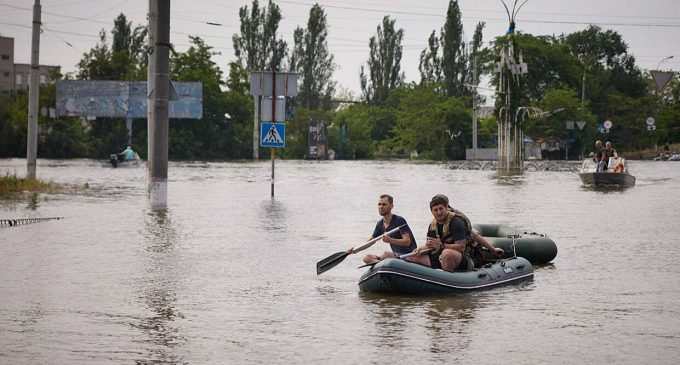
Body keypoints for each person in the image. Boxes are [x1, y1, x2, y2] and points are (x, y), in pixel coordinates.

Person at [406, 195, 503, 272]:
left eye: (441, 209)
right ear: (431, 212)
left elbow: (462, 246)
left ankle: (446, 281)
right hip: (440, 256)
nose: (439, 212)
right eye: (435, 210)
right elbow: (430, 245)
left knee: (447, 254)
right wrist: (419, 249)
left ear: (446, 208)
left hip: (464, 257)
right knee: (412, 255)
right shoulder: (432, 225)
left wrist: (493, 249)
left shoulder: (456, 222)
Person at [357, 194, 417, 264]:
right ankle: (381, 265)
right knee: (366, 258)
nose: (381, 207)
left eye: (384, 204)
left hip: (408, 255)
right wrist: (356, 249)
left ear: (391, 206)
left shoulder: (399, 220)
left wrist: (390, 240)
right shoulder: (380, 224)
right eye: (379, 204)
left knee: (386, 254)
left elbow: (407, 242)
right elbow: (370, 241)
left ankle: (383, 264)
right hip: (395, 256)